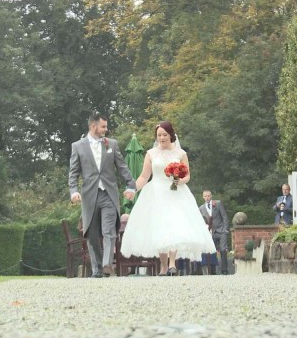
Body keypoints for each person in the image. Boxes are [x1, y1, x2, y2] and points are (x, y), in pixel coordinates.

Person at [120, 121, 216, 276]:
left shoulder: (180, 153)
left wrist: (179, 181)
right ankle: (163, 265)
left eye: (164, 135)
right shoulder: (151, 153)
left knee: (174, 225)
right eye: (159, 135)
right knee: (160, 227)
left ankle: (172, 264)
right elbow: (144, 176)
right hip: (156, 193)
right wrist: (133, 189)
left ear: (171, 135)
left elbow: (188, 175)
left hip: (176, 193)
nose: (162, 138)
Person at [69, 114, 136, 278]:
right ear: (93, 126)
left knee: (109, 230)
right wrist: (73, 191)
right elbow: (73, 172)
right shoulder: (77, 146)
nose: (106, 129)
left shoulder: (111, 144)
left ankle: (107, 264)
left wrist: (131, 185)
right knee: (91, 235)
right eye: (103, 126)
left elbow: (122, 167)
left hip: (109, 194)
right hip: (89, 196)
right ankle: (97, 269)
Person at [199, 190, 230, 275]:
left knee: (223, 249)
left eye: (208, 196)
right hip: (210, 232)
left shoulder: (218, 203)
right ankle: (212, 271)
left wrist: (226, 230)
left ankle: (224, 270)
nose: (207, 198)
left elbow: (224, 217)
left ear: (211, 196)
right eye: (205, 196)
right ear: (203, 197)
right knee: (212, 251)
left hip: (221, 230)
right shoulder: (201, 208)